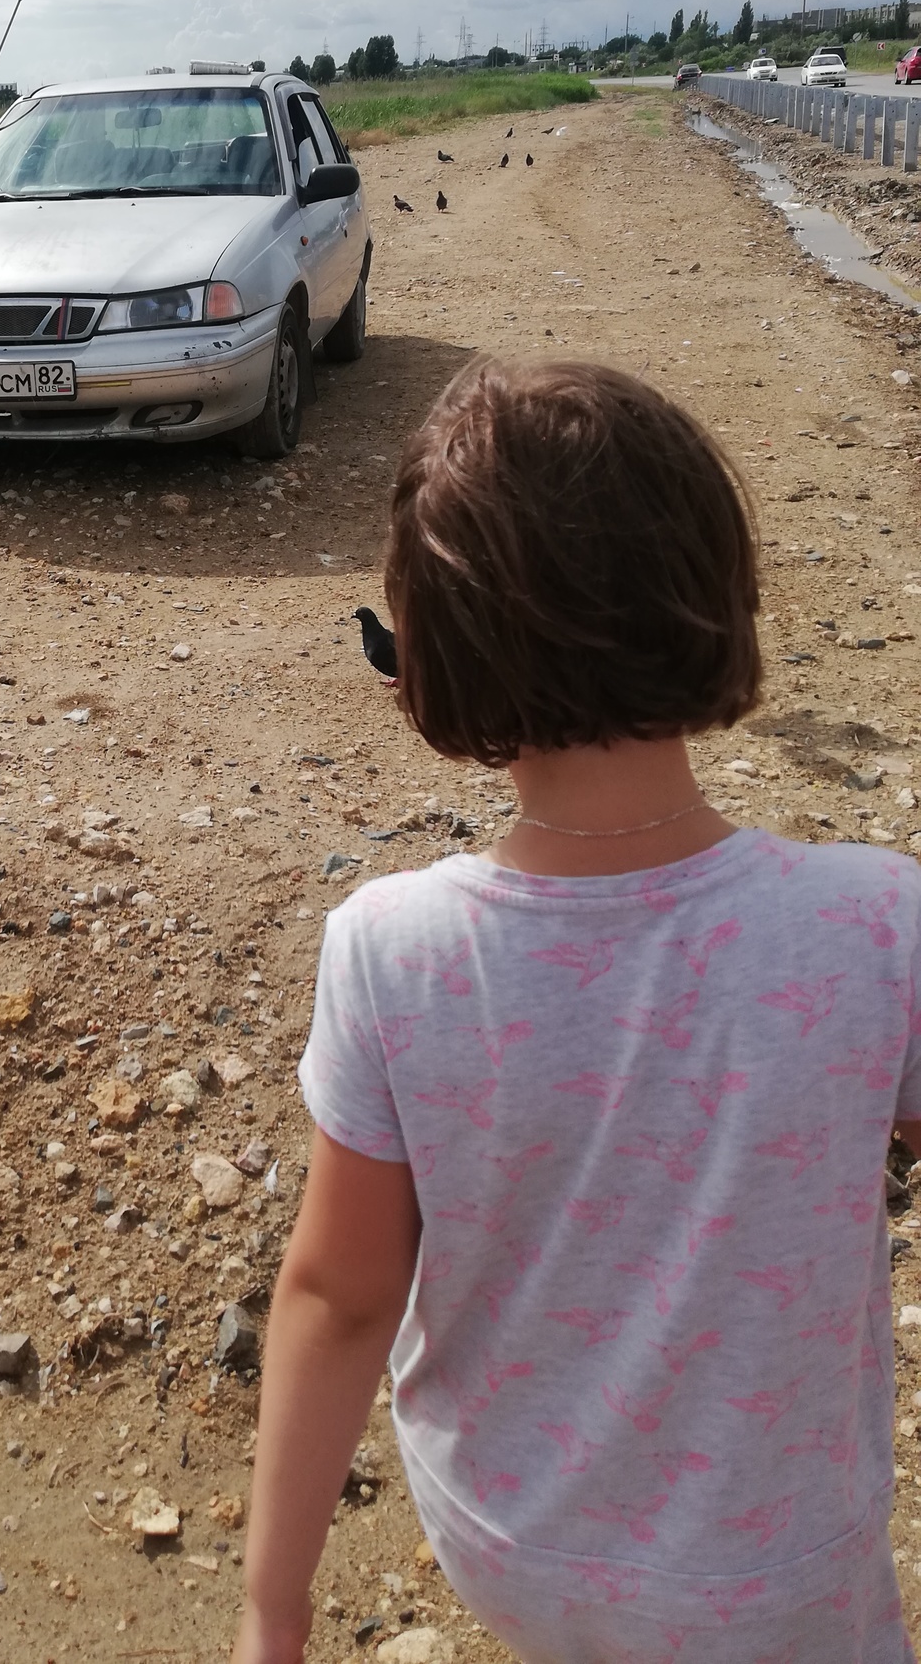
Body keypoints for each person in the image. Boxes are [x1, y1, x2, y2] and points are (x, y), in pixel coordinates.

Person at [232, 357, 921, 1664]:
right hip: (780, 1578)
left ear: (431, 651)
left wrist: (273, 1610)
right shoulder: (877, 926)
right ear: (717, 596)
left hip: (512, 1541)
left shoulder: (390, 949)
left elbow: (336, 1294)